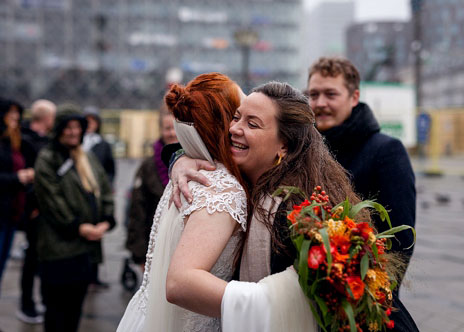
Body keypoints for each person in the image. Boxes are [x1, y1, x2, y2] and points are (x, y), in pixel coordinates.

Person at [148, 81, 366, 332]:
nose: (234, 129)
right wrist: (179, 158)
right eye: (236, 117)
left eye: (252, 124)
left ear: (284, 145)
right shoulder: (240, 183)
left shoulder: (294, 213)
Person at [118, 72, 251, 332]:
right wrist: (259, 306)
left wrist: (177, 157)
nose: (243, 124)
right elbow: (181, 284)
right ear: (225, 124)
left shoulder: (193, 175)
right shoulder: (219, 189)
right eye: (239, 115)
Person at [305, 56, 418, 331]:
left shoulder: (385, 151)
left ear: (354, 97)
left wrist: (368, 296)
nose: (320, 103)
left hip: (360, 305)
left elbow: (399, 240)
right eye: (313, 94)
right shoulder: (304, 151)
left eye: (331, 94)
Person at [34, 105, 115, 332]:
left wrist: (106, 219)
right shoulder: (48, 158)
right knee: (56, 312)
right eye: (67, 127)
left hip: (85, 250)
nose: (73, 132)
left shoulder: (86, 157)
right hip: (58, 250)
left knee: (75, 310)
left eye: (77, 127)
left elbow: (104, 188)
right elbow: (52, 200)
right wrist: (78, 227)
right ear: (58, 129)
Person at [17, 98, 55, 324]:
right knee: (32, 260)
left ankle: (35, 302)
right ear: (47, 118)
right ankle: (26, 304)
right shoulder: (27, 142)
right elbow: (31, 178)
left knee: (39, 259)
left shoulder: (39, 140)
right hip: (33, 211)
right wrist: (33, 207)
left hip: (42, 210)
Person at [125, 109, 178, 269]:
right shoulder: (148, 166)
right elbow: (137, 212)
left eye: (176, 127)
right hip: (155, 247)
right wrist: (140, 254)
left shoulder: (198, 161)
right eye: (167, 128)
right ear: (161, 131)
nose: (172, 133)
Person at [0, 98, 36, 302]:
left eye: (17, 114)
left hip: (11, 212)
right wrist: (17, 178)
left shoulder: (13, 141)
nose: (14, 118)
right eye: (10, 114)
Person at [82, 107, 116, 181]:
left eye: (93, 121)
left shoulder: (104, 145)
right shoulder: (76, 143)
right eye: (87, 121)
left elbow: (110, 170)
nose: (89, 124)